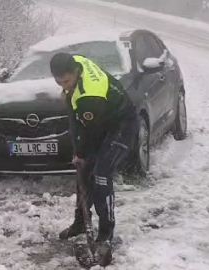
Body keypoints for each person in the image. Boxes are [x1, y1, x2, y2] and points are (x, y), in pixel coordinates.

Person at [49, 53, 138, 263]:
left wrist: (80, 154)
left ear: (76, 72)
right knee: (85, 172)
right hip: (102, 119)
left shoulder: (90, 96)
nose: (63, 85)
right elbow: (80, 123)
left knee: (101, 173)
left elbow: (88, 132)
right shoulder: (76, 60)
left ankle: (105, 234)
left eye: (67, 81)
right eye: (59, 82)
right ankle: (80, 222)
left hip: (121, 124)